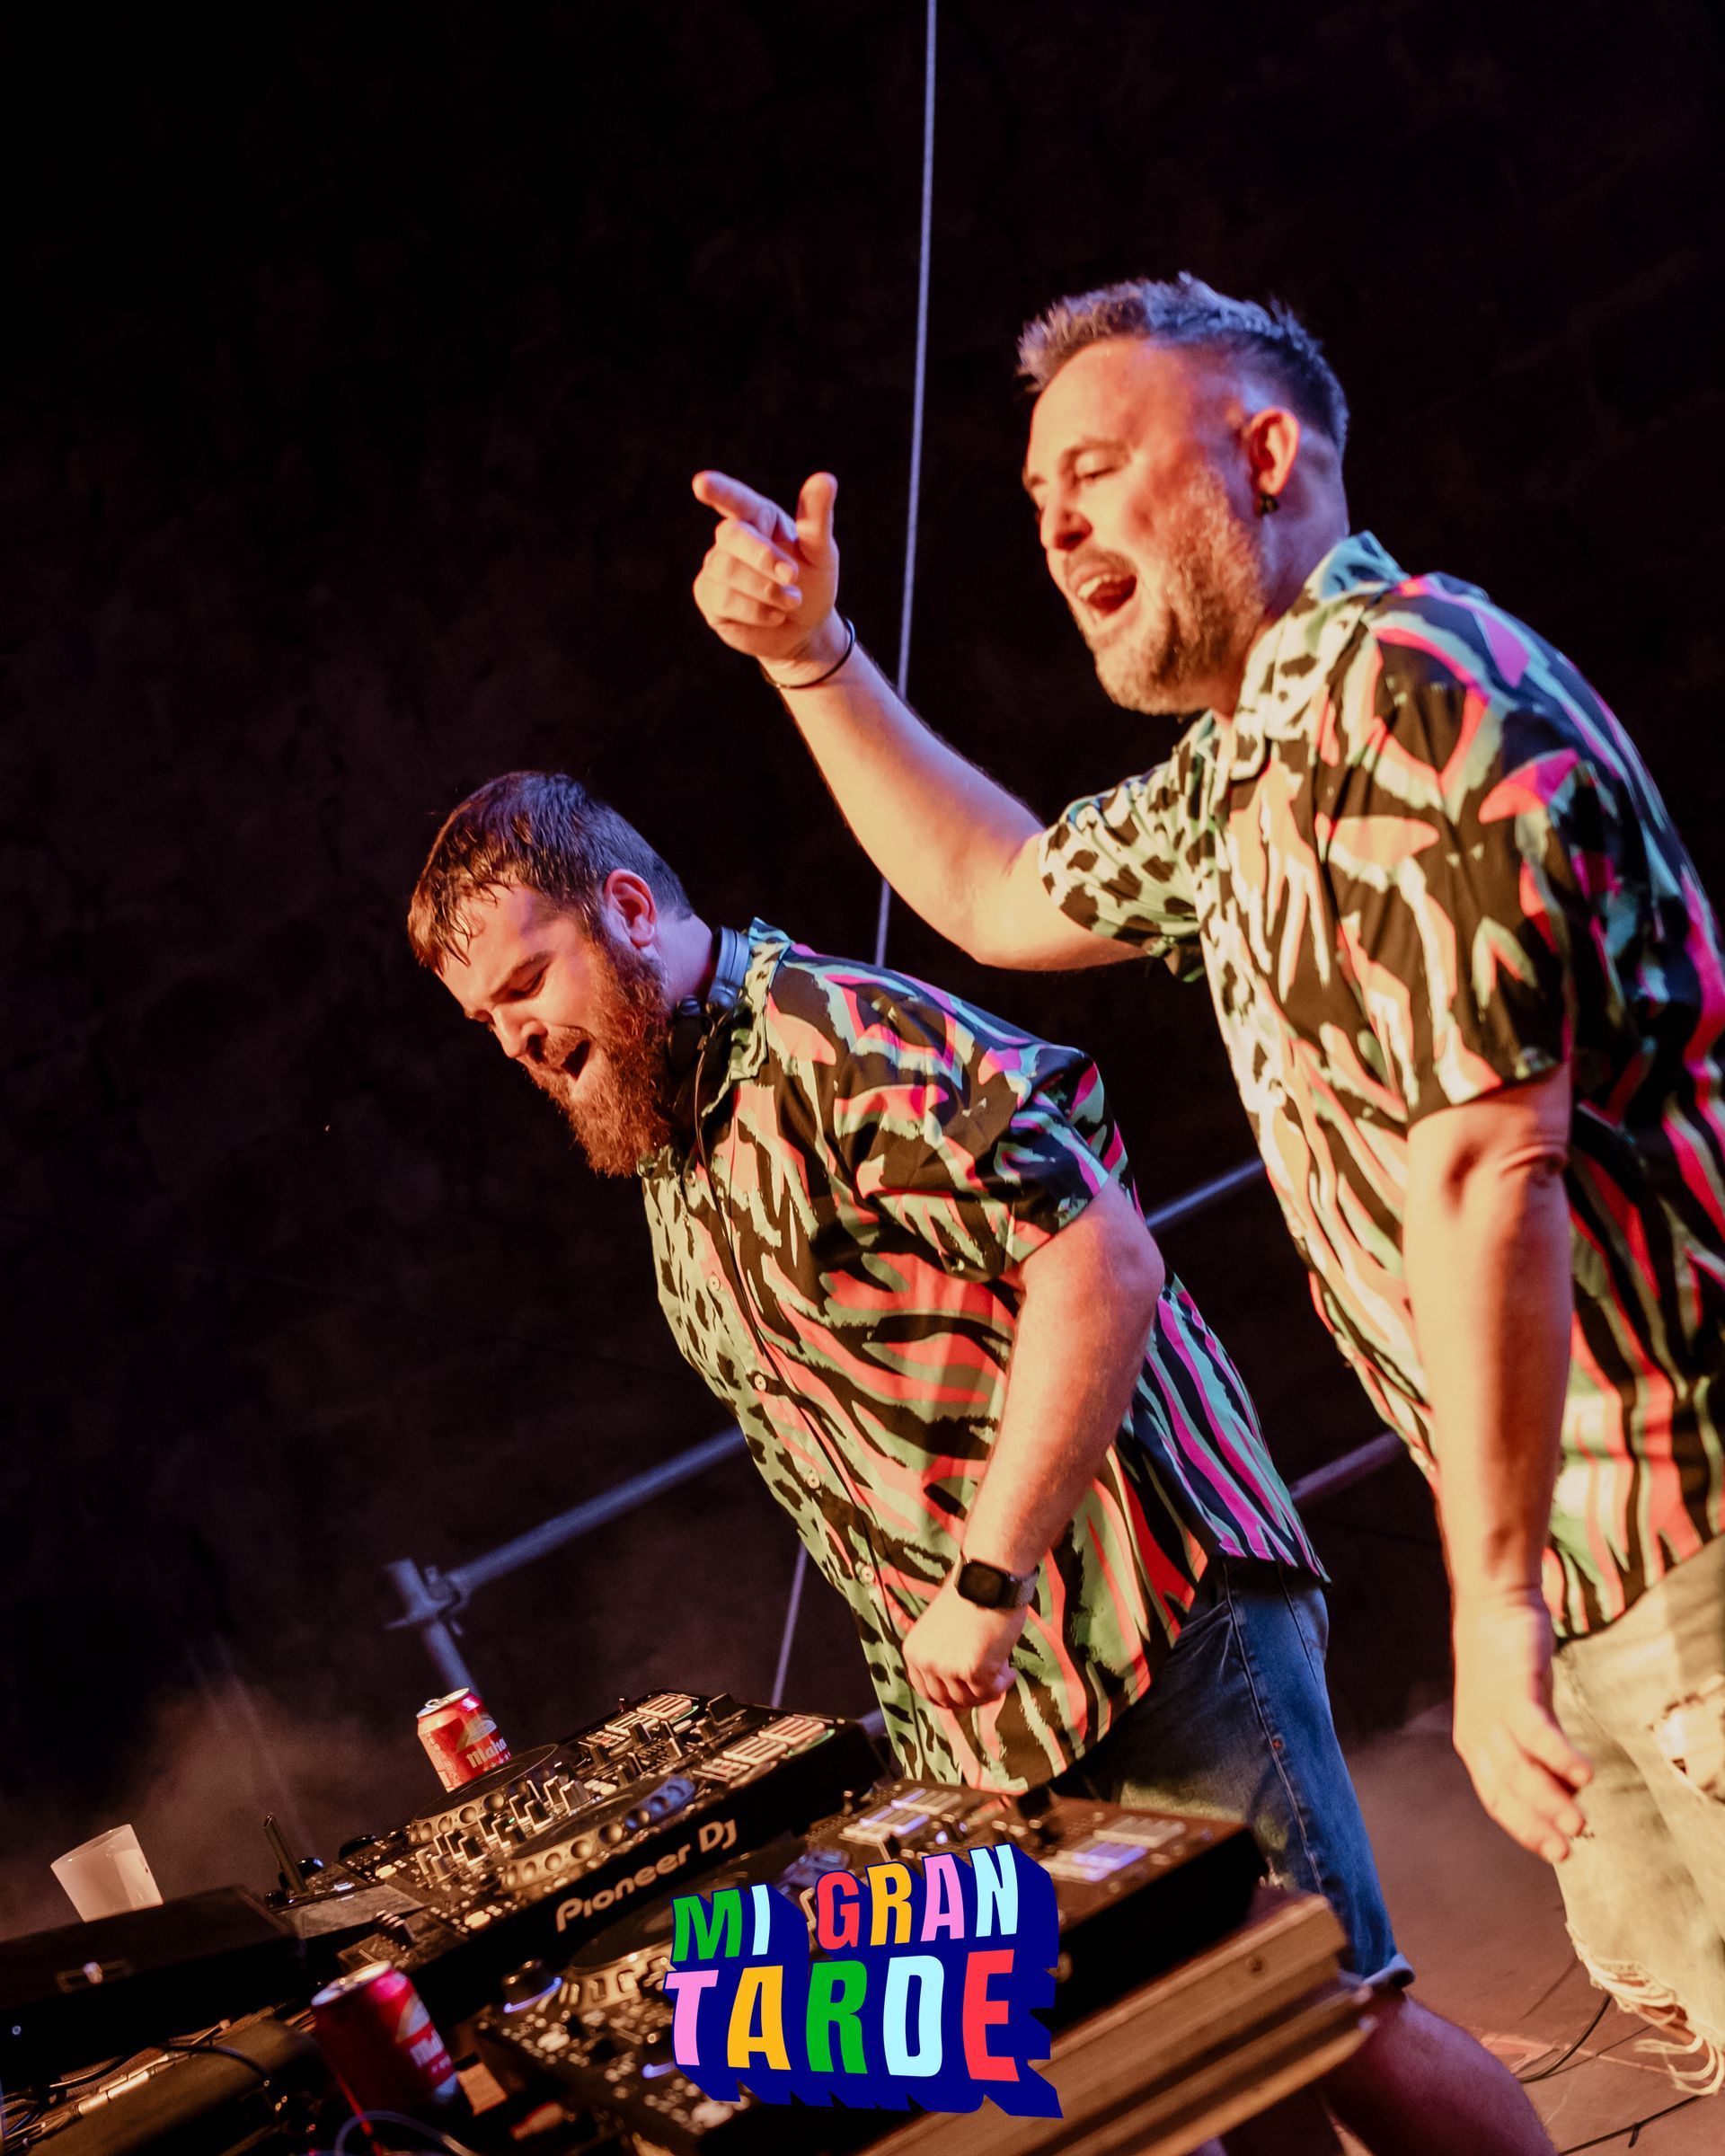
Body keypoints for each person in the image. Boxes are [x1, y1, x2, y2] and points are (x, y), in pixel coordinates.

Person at [687, 272, 1725, 2090]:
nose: (1059, 521)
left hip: (1682, 1534)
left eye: (1094, 466)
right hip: (1590, 1569)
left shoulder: (1402, 687)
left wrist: (1484, 1605)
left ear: (1263, 455)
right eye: (1033, 503)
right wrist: (811, 664)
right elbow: (1003, 891)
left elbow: (1498, 1165)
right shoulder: (1249, 767)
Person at [407, 770, 1555, 2152]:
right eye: (489, 1022)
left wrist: (992, 1575)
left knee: (1329, 2010)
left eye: (530, 981)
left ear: (632, 911)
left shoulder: (835, 1043)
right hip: (1013, 1708)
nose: (520, 1037)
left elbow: (1102, 1258)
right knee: (1222, 2060)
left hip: (1154, 1612)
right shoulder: (675, 1152)